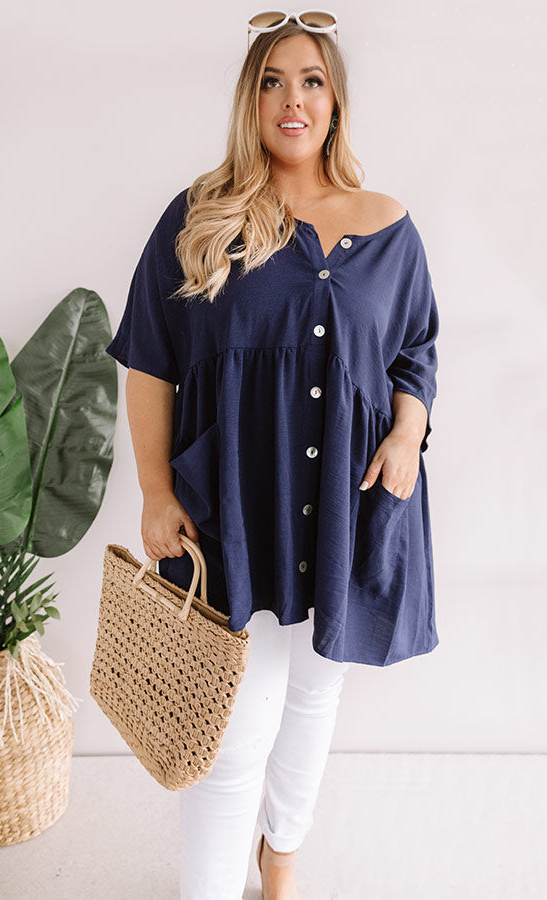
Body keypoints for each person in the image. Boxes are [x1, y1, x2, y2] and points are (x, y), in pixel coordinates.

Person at [105, 11, 440, 900]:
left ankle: (281, 854)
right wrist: (154, 490)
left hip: (350, 503)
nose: (293, 100)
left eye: (311, 81)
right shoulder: (200, 217)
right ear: (249, 101)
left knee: (316, 691)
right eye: (271, 81)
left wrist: (407, 432)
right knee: (234, 727)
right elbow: (149, 360)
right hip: (231, 506)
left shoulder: (390, 228)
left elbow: (415, 351)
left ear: (336, 101)